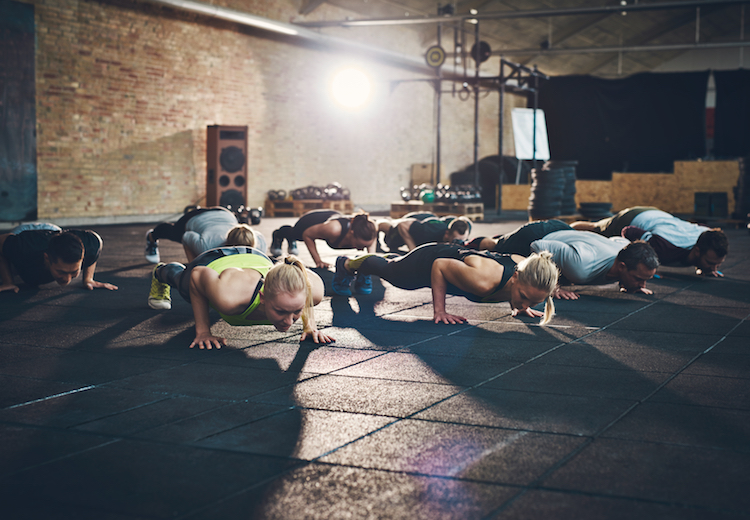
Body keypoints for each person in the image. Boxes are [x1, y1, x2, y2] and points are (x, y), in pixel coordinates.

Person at [330, 242, 559, 325]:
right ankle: (347, 264)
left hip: (456, 257)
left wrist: (522, 306)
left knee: (393, 265)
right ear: (515, 278)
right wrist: (440, 311)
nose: (526, 302)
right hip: (428, 260)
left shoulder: (527, 268)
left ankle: (372, 265)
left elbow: (521, 284)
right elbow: (439, 265)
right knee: (395, 275)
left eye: (533, 301)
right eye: (524, 297)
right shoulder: (483, 281)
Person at [147, 246, 334, 348]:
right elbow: (197, 275)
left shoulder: (313, 291)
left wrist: (310, 326)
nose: (289, 321)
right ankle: (161, 271)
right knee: (184, 282)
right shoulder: (229, 298)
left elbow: (302, 283)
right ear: (262, 298)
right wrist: (203, 332)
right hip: (214, 261)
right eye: (280, 311)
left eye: (296, 312)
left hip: (256, 258)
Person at [465, 220, 660, 298]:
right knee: (495, 247)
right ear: (622, 267)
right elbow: (537, 246)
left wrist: (631, 284)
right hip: (539, 235)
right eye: (638, 278)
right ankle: (464, 244)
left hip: (567, 236)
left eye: (644, 279)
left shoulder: (624, 250)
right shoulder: (582, 265)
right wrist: (552, 286)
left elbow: (617, 239)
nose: (642, 283)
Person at [570, 206, 728, 276]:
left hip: (659, 215)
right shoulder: (664, 247)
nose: (714, 267)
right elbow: (629, 231)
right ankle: (565, 231)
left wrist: (706, 267)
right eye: (710, 263)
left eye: (717, 264)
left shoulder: (707, 235)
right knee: (595, 229)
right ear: (697, 251)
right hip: (634, 217)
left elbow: (702, 226)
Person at [270, 209, 378, 294]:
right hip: (310, 221)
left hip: (332, 218)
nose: (361, 249)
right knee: (297, 235)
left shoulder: (370, 230)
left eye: (365, 246)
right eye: (359, 245)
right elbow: (307, 235)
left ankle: (290, 239)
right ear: (352, 233)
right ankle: (279, 234)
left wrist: (371, 263)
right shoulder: (333, 230)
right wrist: (318, 261)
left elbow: (371, 254)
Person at [0, 228, 118, 293]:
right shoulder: (24, 248)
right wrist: (8, 281)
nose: (67, 279)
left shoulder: (90, 247)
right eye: (61, 272)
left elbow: (96, 240)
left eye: (74, 272)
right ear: (47, 258)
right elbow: (1, 240)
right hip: (30, 230)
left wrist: (88, 279)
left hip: (58, 232)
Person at [144, 206, 267, 263]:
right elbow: (187, 236)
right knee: (175, 233)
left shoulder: (260, 243)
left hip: (224, 212)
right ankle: (151, 237)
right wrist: (193, 265)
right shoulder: (207, 246)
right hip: (194, 217)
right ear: (228, 244)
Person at [377, 212, 473, 252]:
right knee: (391, 229)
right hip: (411, 223)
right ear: (447, 234)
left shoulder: (461, 228)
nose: (458, 244)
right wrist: (413, 251)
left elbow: (464, 220)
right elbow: (403, 225)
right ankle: (378, 222)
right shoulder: (429, 231)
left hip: (428, 218)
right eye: (455, 241)